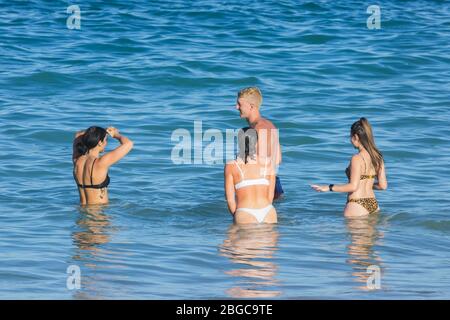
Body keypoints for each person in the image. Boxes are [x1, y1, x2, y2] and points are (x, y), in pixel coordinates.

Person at [311, 118, 387, 217]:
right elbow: (383, 186)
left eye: (350, 136)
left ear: (356, 137)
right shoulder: (377, 156)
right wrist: (367, 184)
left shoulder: (356, 158)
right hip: (373, 204)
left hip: (357, 204)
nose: (350, 140)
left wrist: (329, 187)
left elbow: (353, 186)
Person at [235, 87, 284, 199]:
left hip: (262, 184)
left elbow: (251, 163)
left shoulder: (258, 129)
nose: (236, 107)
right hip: (274, 183)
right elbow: (278, 159)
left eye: (239, 104)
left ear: (251, 106)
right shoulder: (269, 124)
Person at [224, 127, 277, 224]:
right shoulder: (268, 162)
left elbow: (230, 200)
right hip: (268, 211)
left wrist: (237, 216)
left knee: (231, 238)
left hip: (245, 213)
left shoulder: (231, 165)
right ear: (256, 143)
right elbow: (270, 195)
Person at [72, 126, 133, 205]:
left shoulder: (77, 160)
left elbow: (78, 135)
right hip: (98, 212)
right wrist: (116, 134)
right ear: (100, 142)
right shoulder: (101, 162)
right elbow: (129, 143)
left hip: (81, 209)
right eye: (105, 140)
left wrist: (100, 132)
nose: (106, 143)